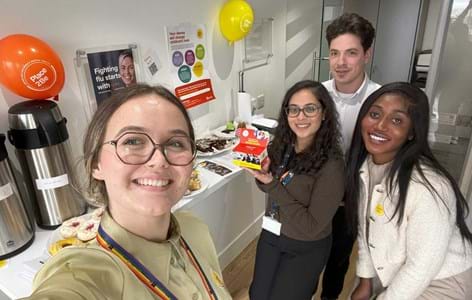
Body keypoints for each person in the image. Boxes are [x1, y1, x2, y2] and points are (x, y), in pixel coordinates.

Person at [25, 85, 231, 299]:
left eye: (176, 143)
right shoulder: (85, 272)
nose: (159, 160)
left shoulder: (196, 229)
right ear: (96, 164)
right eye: (132, 141)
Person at [346, 82, 472, 300]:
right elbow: (366, 232)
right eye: (375, 114)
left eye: (397, 120)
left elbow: (421, 267)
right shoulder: (366, 166)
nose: (380, 125)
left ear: (412, 132)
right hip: (391, 269)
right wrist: (365, 282)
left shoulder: (428, 187)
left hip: (441, 281)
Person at [246, 80, 345, 300]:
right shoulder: (281, 146)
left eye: (310, 109)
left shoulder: (332, 166)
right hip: (272, 235)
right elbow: (268, 185)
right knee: (257, 296)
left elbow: (311, 227)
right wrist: (261, 177)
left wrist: (272, 184)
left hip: (305, 247)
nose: (301, 117)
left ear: (324, 113)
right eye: (294, 109)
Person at [320, 13, 380, 300]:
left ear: (366, 54)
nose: (340, 62)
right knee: (307, 258)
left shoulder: (381, 101)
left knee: (338, 261)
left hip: (352, 201)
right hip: (315, 197)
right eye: (334, 53)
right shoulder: (316, 95)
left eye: (351, 53)